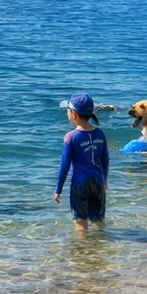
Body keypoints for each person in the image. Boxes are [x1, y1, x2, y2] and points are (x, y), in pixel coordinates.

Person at [55, 92, 109, 230]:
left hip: (80, 184)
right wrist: (104, 180)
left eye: (68, 110)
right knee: (98, 220)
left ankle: (83, 249)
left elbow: (65, 164)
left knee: (80, 222)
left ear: (74, 114)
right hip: (97, 182)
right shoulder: (100, 133)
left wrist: (58, 189)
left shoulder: (70, 137)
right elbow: (105, 159)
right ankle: (101, 244)